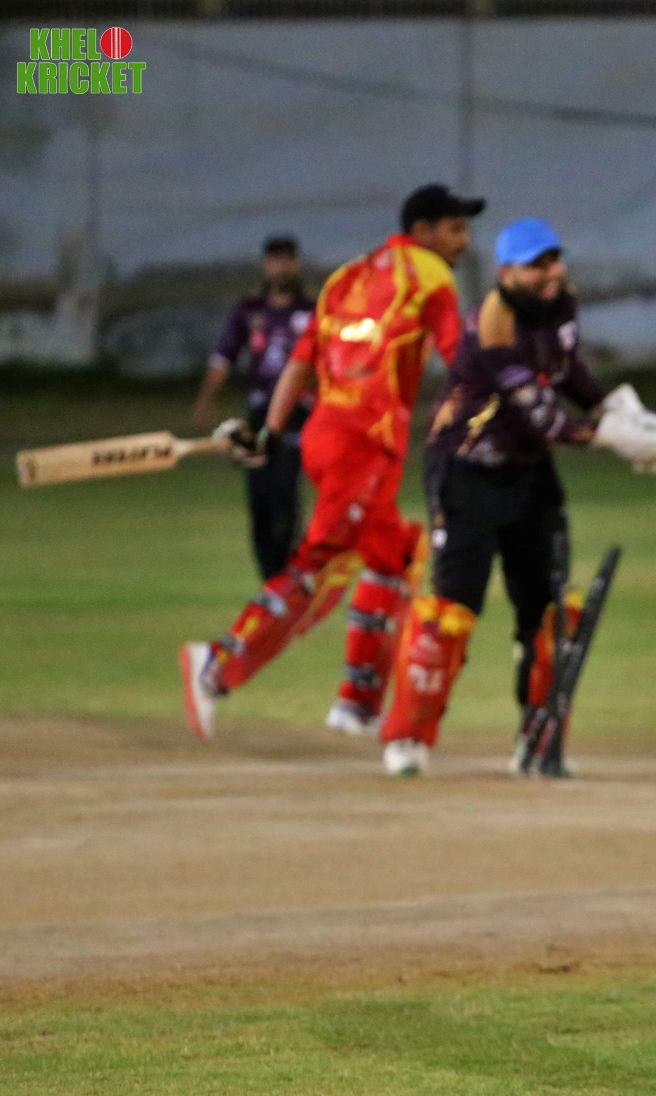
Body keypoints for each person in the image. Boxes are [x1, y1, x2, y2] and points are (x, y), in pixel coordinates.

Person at [378, 217, 656, 777]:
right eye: (534, 265)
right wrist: (612, 437)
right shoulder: (493, 327)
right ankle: (408, 738)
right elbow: (540, 417)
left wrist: (616, 407)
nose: (548, 273)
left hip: (528, 472)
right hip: (466, 470)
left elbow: (565, 369)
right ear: (506, 273)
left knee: (548, 614)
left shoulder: (559, 304)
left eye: (552, 260)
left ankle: (537, 741)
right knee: (452, 610)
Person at [179, 184, 485, 740]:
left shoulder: (347, 276)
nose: (463, 241)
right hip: (363, 443)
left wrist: (272, 432)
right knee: (317, 565)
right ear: (422, 232)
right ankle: (216, 666)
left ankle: (357, 705)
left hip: (328, 434)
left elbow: (301, 363)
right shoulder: (431, 277)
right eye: (455, 229)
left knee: (395, 557)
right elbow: (462, 360)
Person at [191, 233, 315, 581]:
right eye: (275, 260)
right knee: (259, 497)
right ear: (266, 264)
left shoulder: (312, 310)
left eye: (287, 259)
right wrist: (206, 401)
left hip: (298, 412)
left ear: (296, 263)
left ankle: (288, 573)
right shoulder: (250, 310)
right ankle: (270, 578)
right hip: (260, 412)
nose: (281, 267)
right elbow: (223, 358)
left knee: (284, 492)